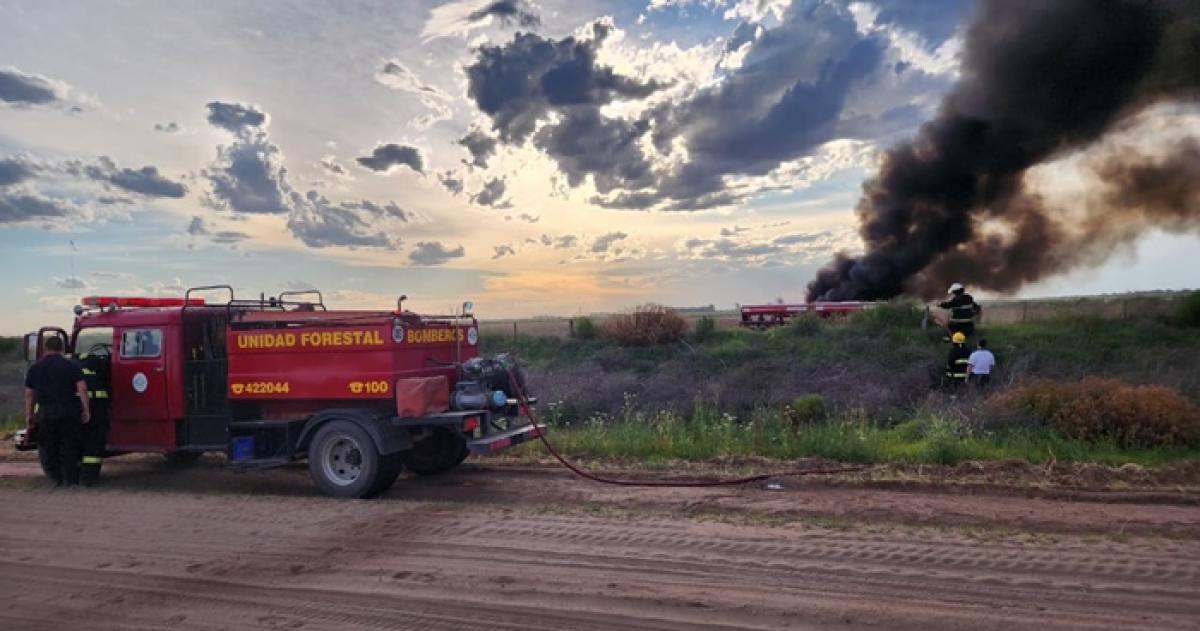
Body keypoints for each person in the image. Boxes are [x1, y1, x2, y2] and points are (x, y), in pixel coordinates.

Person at [24, 337, 91, 487]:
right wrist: (86, 409)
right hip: (69, 411)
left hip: (46, 413)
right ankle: (71, 480)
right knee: (69, 447)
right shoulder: (72, 365)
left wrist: (29, 415)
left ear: (45, 348)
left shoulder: (35, 368)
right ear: (61, 348)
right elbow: (82, 388)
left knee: (49, 447)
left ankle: (56, 479)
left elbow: (30, 394)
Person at [76, 351, 112, 486]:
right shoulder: (99, 377)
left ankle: (71, 478)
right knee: (94, 446)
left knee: (73, 446)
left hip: (75, 415)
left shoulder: (74, 373)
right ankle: (89, 480)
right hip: (97, 415)